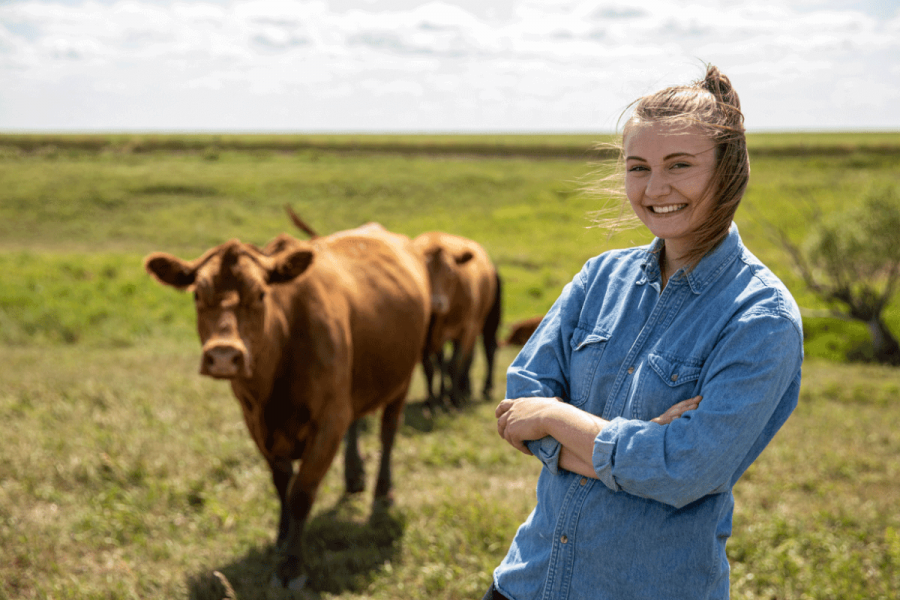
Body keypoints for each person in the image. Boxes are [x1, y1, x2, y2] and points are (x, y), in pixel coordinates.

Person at [487, 65, 803, 600]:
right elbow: (520, 405)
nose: (656, 189)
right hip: (529, 580)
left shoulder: (760, 317)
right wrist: (643, 449)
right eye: (639, 168)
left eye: (679, 165)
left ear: (727, 170)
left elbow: (685, 471)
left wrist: (558, 417)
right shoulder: (599, 277)